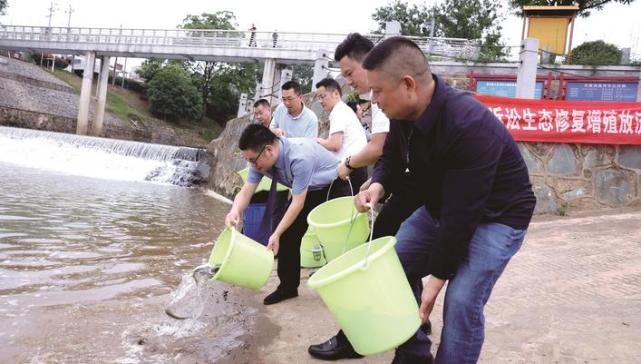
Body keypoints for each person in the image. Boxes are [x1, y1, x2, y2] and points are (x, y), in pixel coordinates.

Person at [355, 36, 537, 363]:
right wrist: (379, 185)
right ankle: (414, 355)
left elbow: (462, 215)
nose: (373, 100)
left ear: (408, 84)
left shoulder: (468, 124)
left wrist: (436, 280)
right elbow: (393, 159)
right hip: (445, 204)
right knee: (392, 265)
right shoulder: (402, 114)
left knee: (462, 300)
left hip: (498, 216)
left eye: (378, 90)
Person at [308, 33, 424, 362]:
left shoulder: (388, 96)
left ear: (370, 63)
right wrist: (377, 182)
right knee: (400, 257)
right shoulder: (381, 98)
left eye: (348, 73)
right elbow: (391, 154)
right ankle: (411, 326)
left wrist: (348, 164)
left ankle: (359, 336)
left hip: (419, 190)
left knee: (375, 258)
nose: (349, 82)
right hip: (402, 185)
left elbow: (379, 147)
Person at [225, 124, 350, 305]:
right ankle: (288, 287)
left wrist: (275, 234)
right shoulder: (260, 162)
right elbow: (246, 191)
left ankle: (343, 284)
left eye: (253, 160)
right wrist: (234, 210)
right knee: (288, 235)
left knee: (335, 238)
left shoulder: (299, 156)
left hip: (333, 185)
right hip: (308, 189)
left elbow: (297, 203)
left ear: (268, 150)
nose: (252, 165)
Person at [315, 77, 368, 192]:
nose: (320, 101)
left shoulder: (338, 111)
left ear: (335, 94)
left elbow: (335, 144)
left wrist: (318, 141)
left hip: (350, 169)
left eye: (323, 96)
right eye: (318, 98)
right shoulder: (344, 110)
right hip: (355, 166)